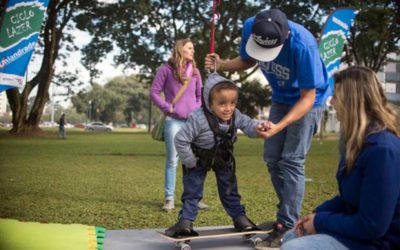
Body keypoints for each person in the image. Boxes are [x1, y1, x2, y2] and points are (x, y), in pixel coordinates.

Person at [205, 8, 329, 247]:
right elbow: (248, 58)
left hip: (308, 101)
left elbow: (308, 96)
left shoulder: (303, 45)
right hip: (280, 97)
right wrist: (223, 64)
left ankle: (287, 224)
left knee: (291, 160)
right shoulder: (252, 25)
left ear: (284, 38)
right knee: (272, 158)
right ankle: (289, 217)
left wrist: (279, 126)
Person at [280, 66, 400, 250]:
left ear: (351, 102)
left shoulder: (383, 150)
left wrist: (321, 222)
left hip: (381, 243)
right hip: (361, 235)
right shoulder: (357, 142)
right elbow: (350, 199)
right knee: (291, 235)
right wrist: (316, 215)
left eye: (335, 96)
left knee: (294, 248)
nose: (331, 102)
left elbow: (373, 226)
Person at [165, 73, 266, 237]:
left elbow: (248, 125)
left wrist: (260, 127)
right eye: (222, 104)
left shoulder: (235, 115)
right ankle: (185, 222)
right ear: (209, 104)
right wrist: (189, 161)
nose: (228, 108)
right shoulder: (198, 118)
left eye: (232, 103)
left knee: (230, 190)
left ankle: (239, 218)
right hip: (198, 158)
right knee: (193, 190)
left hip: (223, 157)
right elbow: (181, 140)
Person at [150, 38, 209, 212]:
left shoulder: (195, 72)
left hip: (193, 122)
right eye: (189, 48)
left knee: (193, 162)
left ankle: (195, 198)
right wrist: (166, 106)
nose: (193, 51)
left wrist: (196, 110)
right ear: (180, 49)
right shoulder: (166, 70)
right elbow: (154, 92)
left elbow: (199, 96)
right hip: (173, 121)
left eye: (193, 48)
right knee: (172, 161)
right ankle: (169, 199)